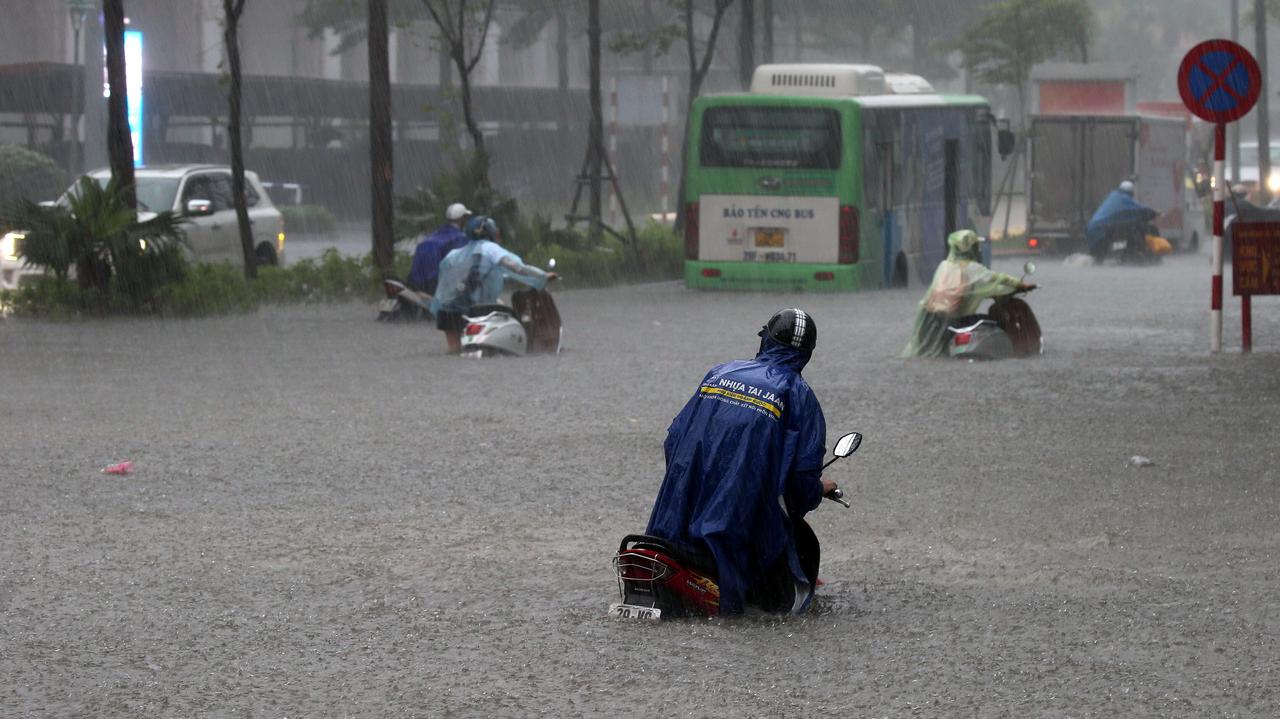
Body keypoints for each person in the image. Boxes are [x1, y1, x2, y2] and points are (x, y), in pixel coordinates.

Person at [645, 309, 836, 615]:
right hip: (733, 530)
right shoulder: (799, 398)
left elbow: (673, 440)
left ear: (765, 340)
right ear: (807, 355)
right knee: (785, 611)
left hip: (674, 520)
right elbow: (800, 484)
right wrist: (817, 490)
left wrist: (694, 481)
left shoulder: (720, 373)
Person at [429, 215, 557, 354]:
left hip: (448, 310)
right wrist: (542, 277)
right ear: (490, 232)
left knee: (455, 351)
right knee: (487, 349)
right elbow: (516, 267)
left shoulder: (454, 254)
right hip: (477, 310)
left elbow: (452, 280)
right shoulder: (490, 248)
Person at [902, 230, 1034, 358]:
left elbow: (956, 290)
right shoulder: (974, 269)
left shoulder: (944, 266)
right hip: (954, 320)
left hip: (929, 320)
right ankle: (1010, 351)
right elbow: (998, 279)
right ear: (972, 248)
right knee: (995, 322)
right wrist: (1020, 285)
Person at [406, 202, 472, 297]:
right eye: (466, 218)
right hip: (437, 287)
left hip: (415, 284)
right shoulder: (460, 239)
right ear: (462, 219)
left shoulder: (433, 237)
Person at [1086, 180, 1158, 263]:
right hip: (1101, 231)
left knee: (1097, 260)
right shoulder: (1124, 199)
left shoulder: (1113, 196)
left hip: (1092, 229)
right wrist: (1153, 212)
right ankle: (1130, 256)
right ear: (1130, 192)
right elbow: (1138, 209)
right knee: (1098, 259)